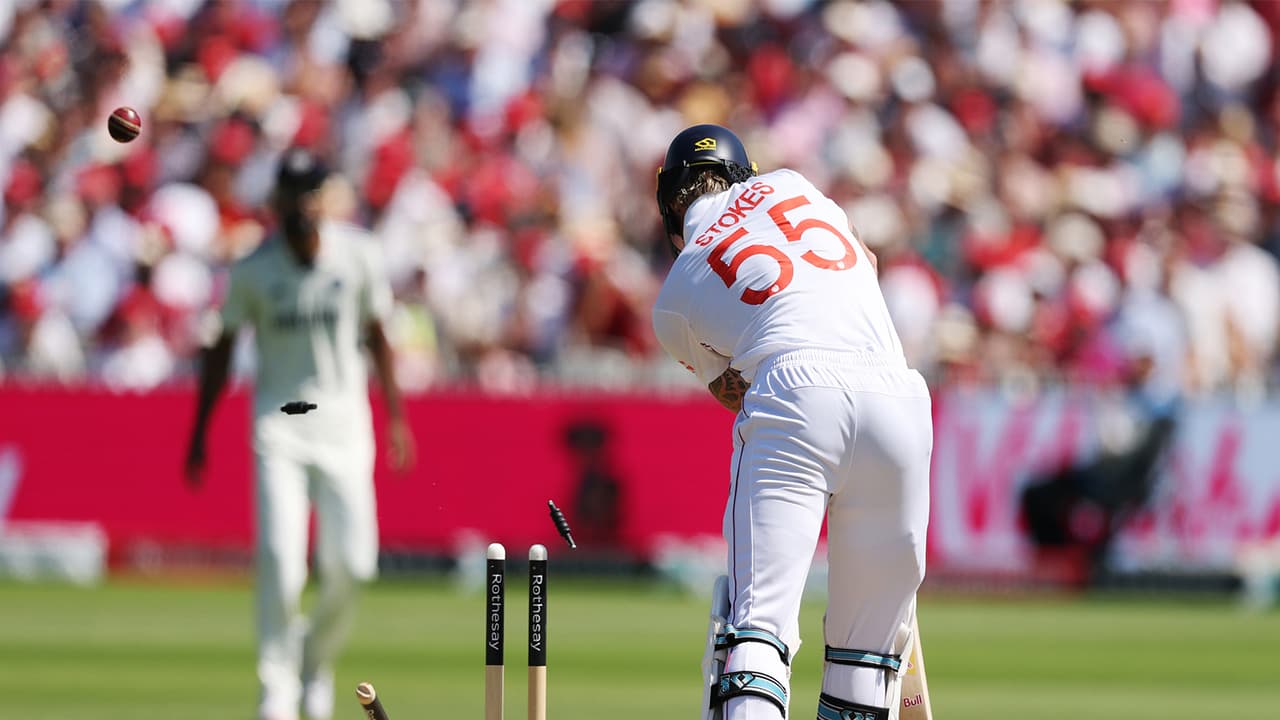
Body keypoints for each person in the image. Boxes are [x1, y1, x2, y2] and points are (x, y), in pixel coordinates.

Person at [652, 125, 933, 720]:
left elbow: (735, 390)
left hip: (795, 388)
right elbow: (869, 261)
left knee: (759, 635)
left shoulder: (675, 293)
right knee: (865, 659)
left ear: (670, 211)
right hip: (899, 394)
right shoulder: (794, 184)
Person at [183, 148, 415, 720]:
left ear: (324, 197)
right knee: (280, 559)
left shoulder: (358, 254)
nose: (304, 204)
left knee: (356, 564)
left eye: (312, 192)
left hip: (344, 424)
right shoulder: (253, 268)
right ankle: (276, 690)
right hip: (278, 428)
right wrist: (199, 431)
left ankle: (315, 658)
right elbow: (220, 351)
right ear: (277, 203)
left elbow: (378, 335)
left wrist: (396, 416)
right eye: (294, 194)